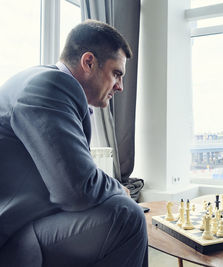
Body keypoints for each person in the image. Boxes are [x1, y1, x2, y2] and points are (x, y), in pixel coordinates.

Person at [0, 20, 148, 267]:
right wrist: (117, 189)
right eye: (116, 73)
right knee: (126, 215)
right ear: (89, 62)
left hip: (26, 223)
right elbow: (75, 190)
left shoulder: (45, 82)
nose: (120, 87)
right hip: (12, 237)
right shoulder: (50, 85)